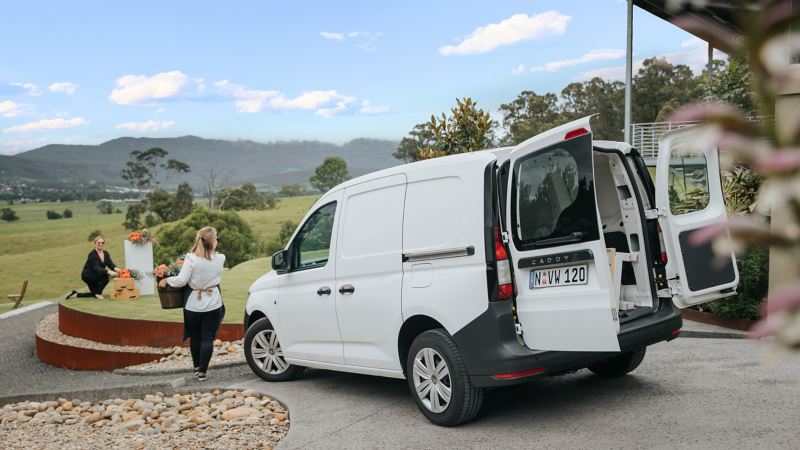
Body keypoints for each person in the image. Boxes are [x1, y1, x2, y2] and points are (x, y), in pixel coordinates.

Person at [159, 226, 225, 381]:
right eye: (216, 238)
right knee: (207, 338)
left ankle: (196, 367)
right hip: (214, 303)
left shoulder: (191, 258)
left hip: (193, 304)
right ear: (213, 241)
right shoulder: (221, 258)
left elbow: (181, 281)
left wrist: (166, 279)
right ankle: (202, 371)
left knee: (195, 337)